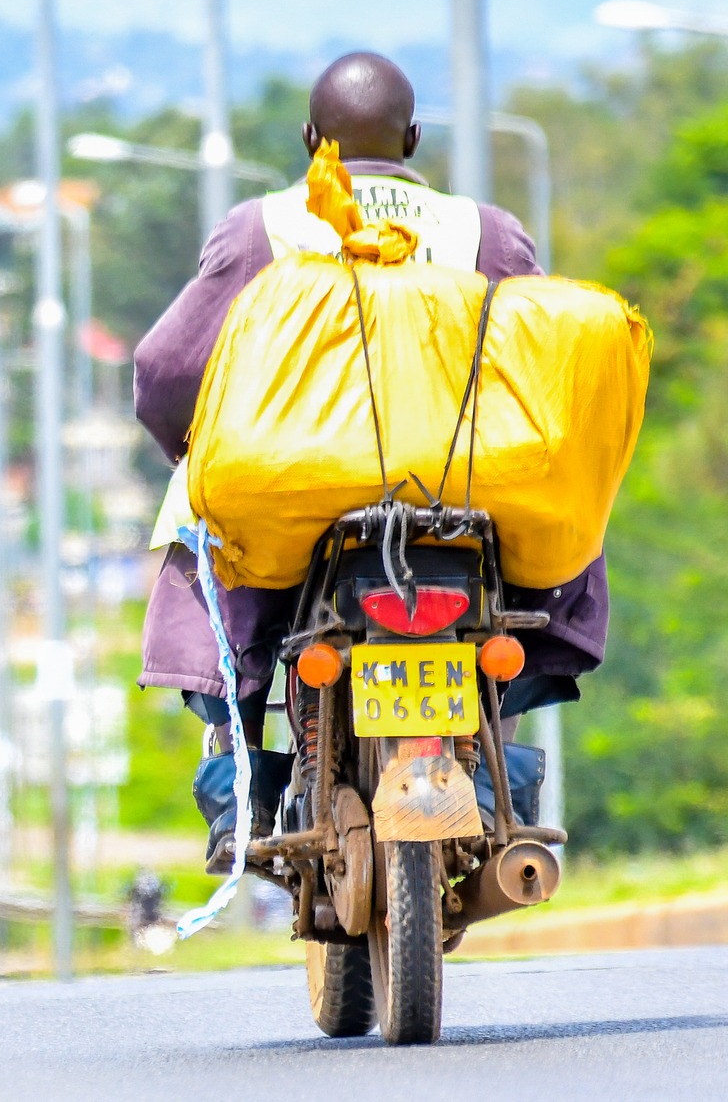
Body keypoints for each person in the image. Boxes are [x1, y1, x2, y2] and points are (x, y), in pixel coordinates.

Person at [133, 52, 608, 870]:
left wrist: (193, 450)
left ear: (313, 138)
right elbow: (543, 363)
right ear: (414, 138)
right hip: (461, 500)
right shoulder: (483, 232)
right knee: (553, 562)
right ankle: (500, 773)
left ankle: (237, 781)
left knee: (205, 554)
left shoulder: (264, 229)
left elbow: (165, 371)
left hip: (297, 500)